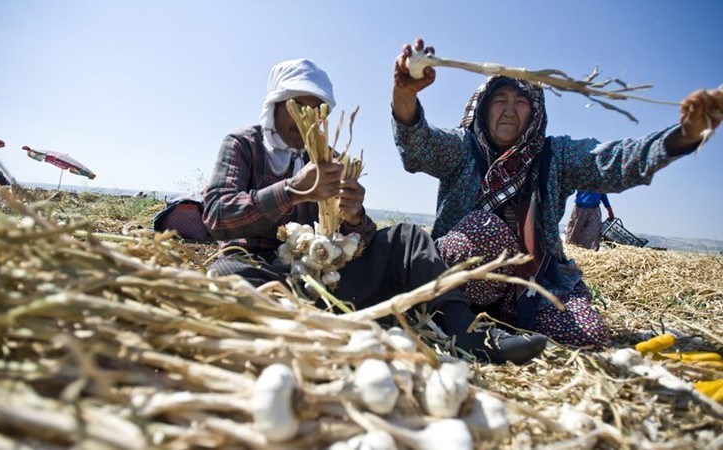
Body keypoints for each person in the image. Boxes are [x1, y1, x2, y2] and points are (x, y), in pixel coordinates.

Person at [201, 58, 548, 364]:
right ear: (275, 105)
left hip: (328, 280)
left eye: (316, 109)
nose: (304, 120)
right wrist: (291, 191)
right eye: (296, 106)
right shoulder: (244, 144)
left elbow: (360, 242)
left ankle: (466, 332)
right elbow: (216, 216)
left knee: (408, 238)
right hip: (270, 276)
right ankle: (329, 324)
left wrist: (354, 218)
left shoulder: (330, 160)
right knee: (227, 273)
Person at [392, 39, 722, 349]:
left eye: (521, 101)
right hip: (460, 278)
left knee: (589, 335)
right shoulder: (463, 149)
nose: (509, 110)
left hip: (526, 286)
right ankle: (452, 314)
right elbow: (418, 147)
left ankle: (504, 323)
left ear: (535, 112)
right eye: (499, 100)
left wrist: (684, 135)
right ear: (482, 108)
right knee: (486, 230)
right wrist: (404, 94)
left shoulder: (555, 156)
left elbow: (617, 160)